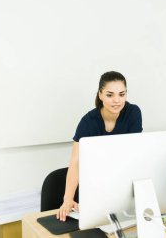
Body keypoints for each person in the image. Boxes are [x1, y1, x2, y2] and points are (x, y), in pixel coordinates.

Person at [57, 71, 143, 221]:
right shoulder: (88, 122)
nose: (117, 100)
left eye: (122, 94)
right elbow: (76, 163)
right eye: (110, 95)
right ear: (100, 95)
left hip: (123, 185)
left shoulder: (133, 113)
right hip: (95, 187)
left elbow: (133, 153)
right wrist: (67, 199)